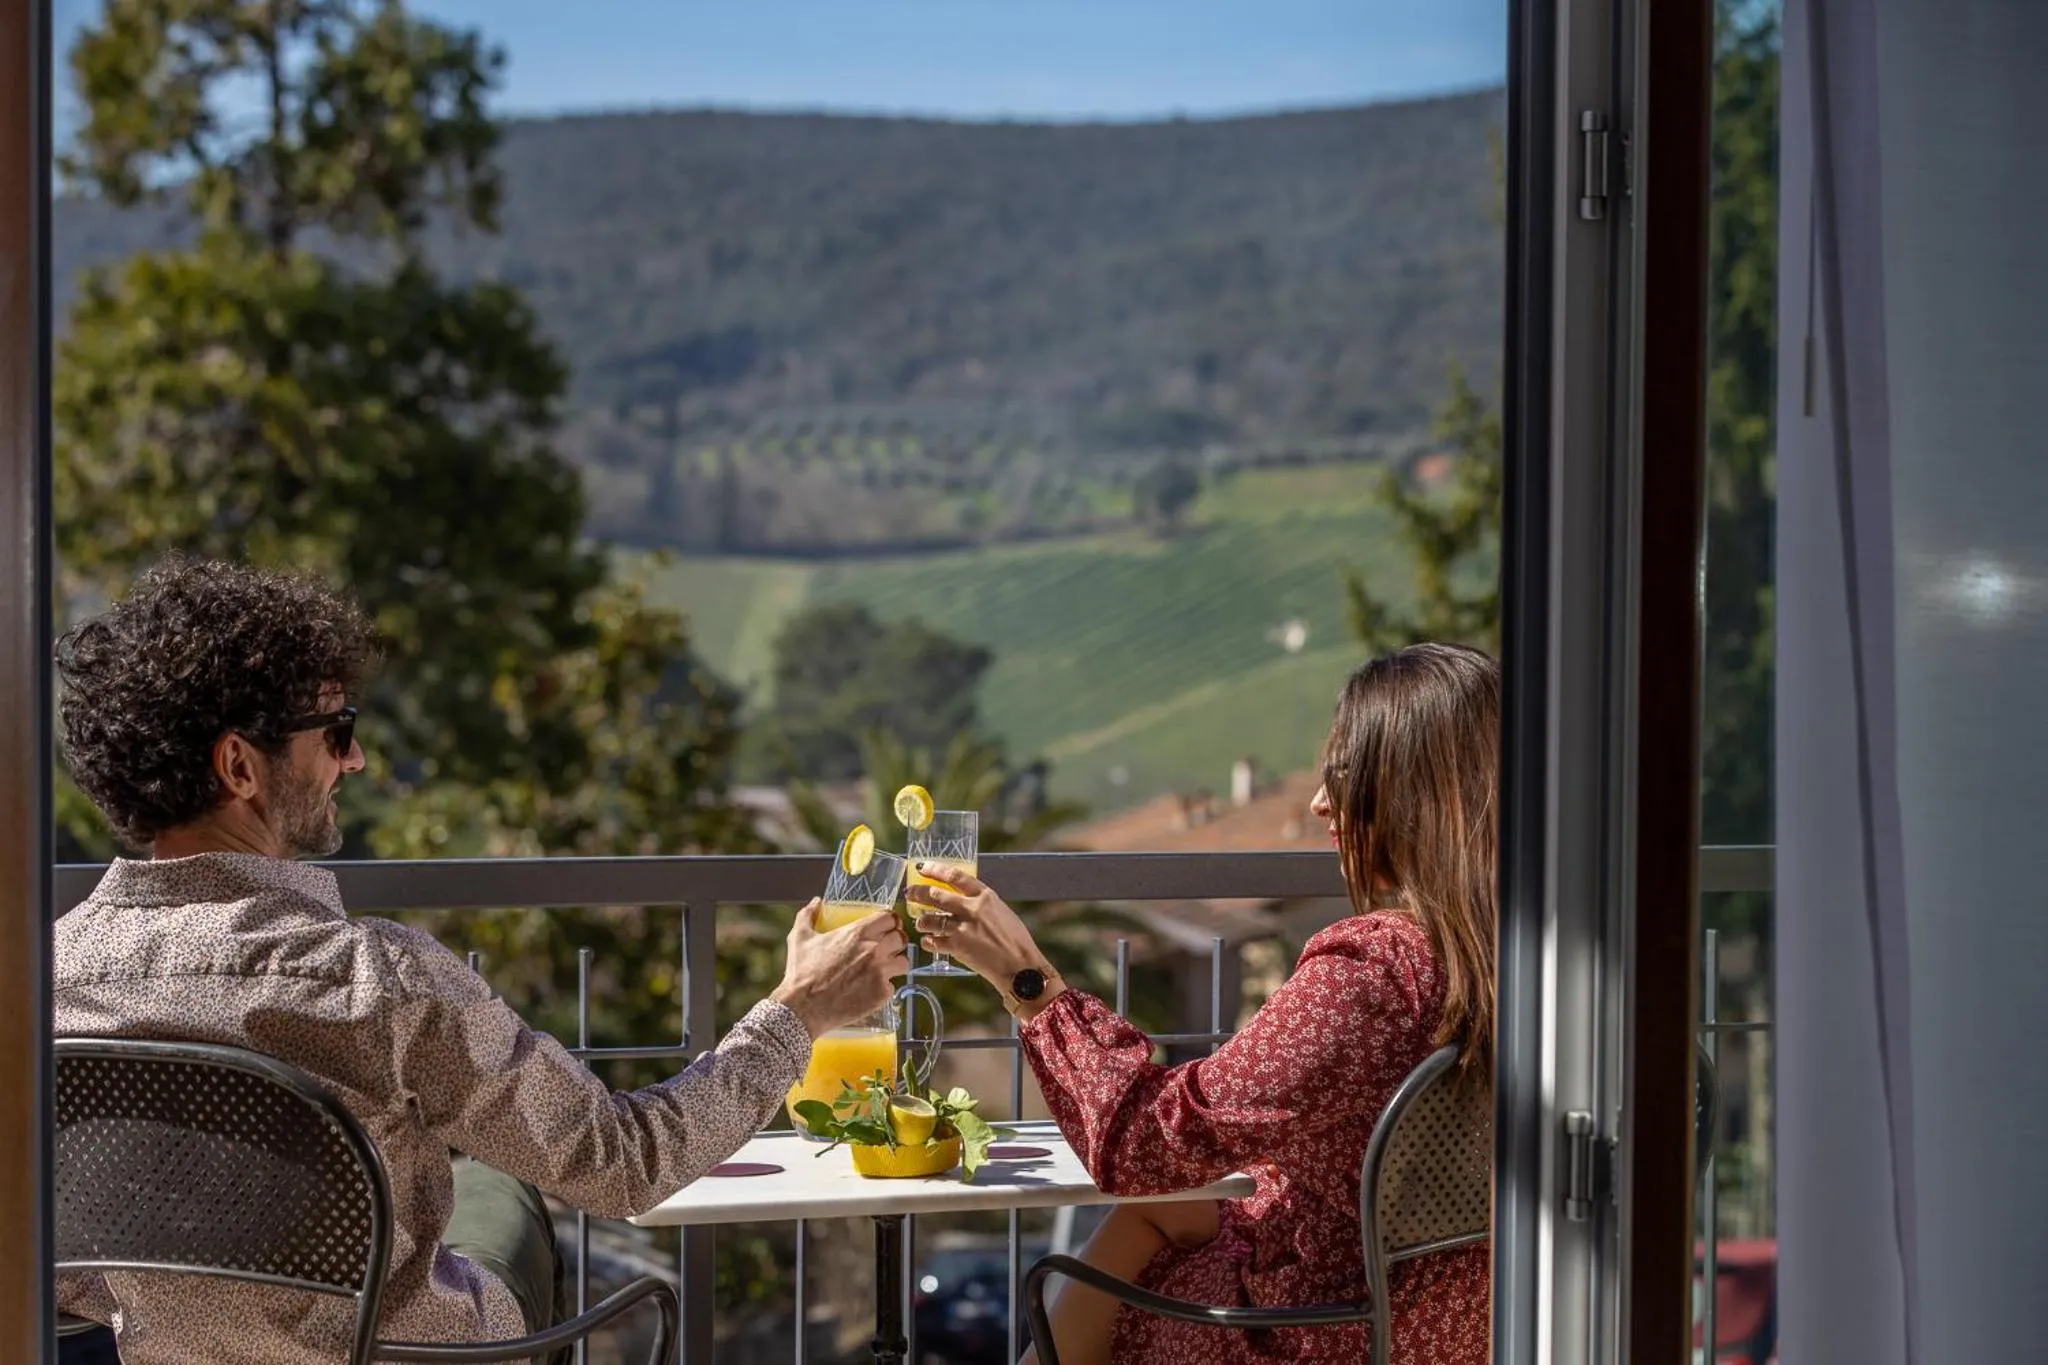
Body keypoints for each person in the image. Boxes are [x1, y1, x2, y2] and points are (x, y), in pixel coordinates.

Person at [51, 556, 909, 1365]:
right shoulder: (370, 979)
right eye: (336, 730)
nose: (354, 757)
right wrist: (797, 1012)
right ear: (239, 764)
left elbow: (65, 1265)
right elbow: (622, 1165)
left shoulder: (48, 977)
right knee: (500, 1182)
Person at [909, 643, 1496, 1364]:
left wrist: (1025, 979)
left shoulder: (1369, 976)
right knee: (1155, 1212)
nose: (1318, 801)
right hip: (1464, 1322)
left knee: (1127, 1233)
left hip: (1324, 1330)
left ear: (1413, 792)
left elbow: (1143, 1142)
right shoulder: (1532, 960)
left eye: (1341, 775)